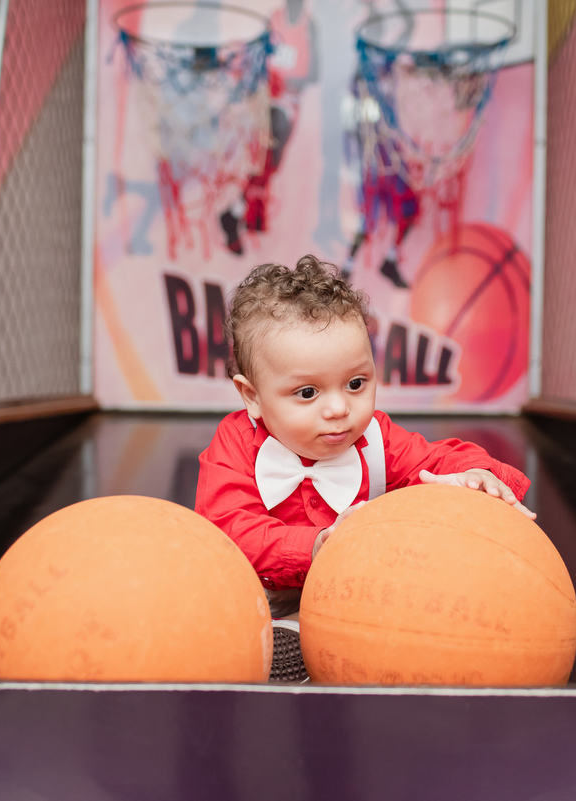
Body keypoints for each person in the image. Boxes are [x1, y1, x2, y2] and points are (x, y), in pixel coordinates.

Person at [195, 255, 535, 682]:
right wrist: (315, 545)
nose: (339, 408)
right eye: (307, 393)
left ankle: (341, 642)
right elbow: (227, 531)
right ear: (252, 396)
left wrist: (475, 474)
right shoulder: (234, 446)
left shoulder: (374, 438)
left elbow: (434, 459)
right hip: (258, 592)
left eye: (356, 383)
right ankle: (272, 642)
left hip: (353, 591)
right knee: (199, 607)